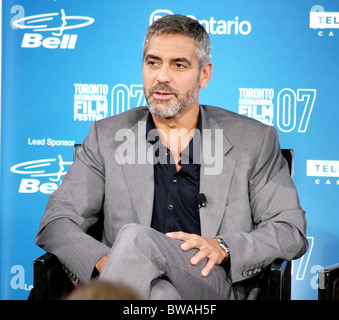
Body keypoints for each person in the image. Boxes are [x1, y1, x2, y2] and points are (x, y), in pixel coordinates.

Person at [36, 14, 308, 300]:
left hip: (211, 285)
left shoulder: (253, 140)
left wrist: (224, 246)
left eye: (179, 65)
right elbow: (56, 222)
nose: (162, 76)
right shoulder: (106, 136)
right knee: (160, 294)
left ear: (204, 74)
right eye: (153, 63)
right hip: (140, 292)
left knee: (136, 238)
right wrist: (107, 262)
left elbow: (289, 230)